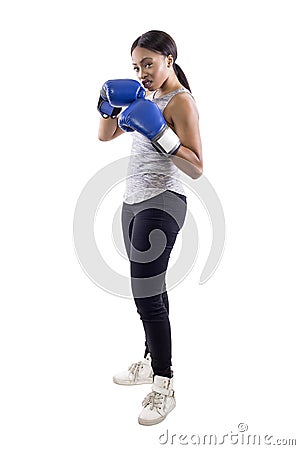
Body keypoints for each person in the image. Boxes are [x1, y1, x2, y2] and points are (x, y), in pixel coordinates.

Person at [97, 30, 203, 426]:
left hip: (163, 204)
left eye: (149, 64)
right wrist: (105, 106)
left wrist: (162, 135)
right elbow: (104, 136)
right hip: (132, 203)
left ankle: (164, 383)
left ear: (169, 60)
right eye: (136, 66)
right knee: (152, 288)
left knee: (144, 294)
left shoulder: (181, 102)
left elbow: (196, 168)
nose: (142, 72)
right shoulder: (145, 97)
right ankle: (150, 359)